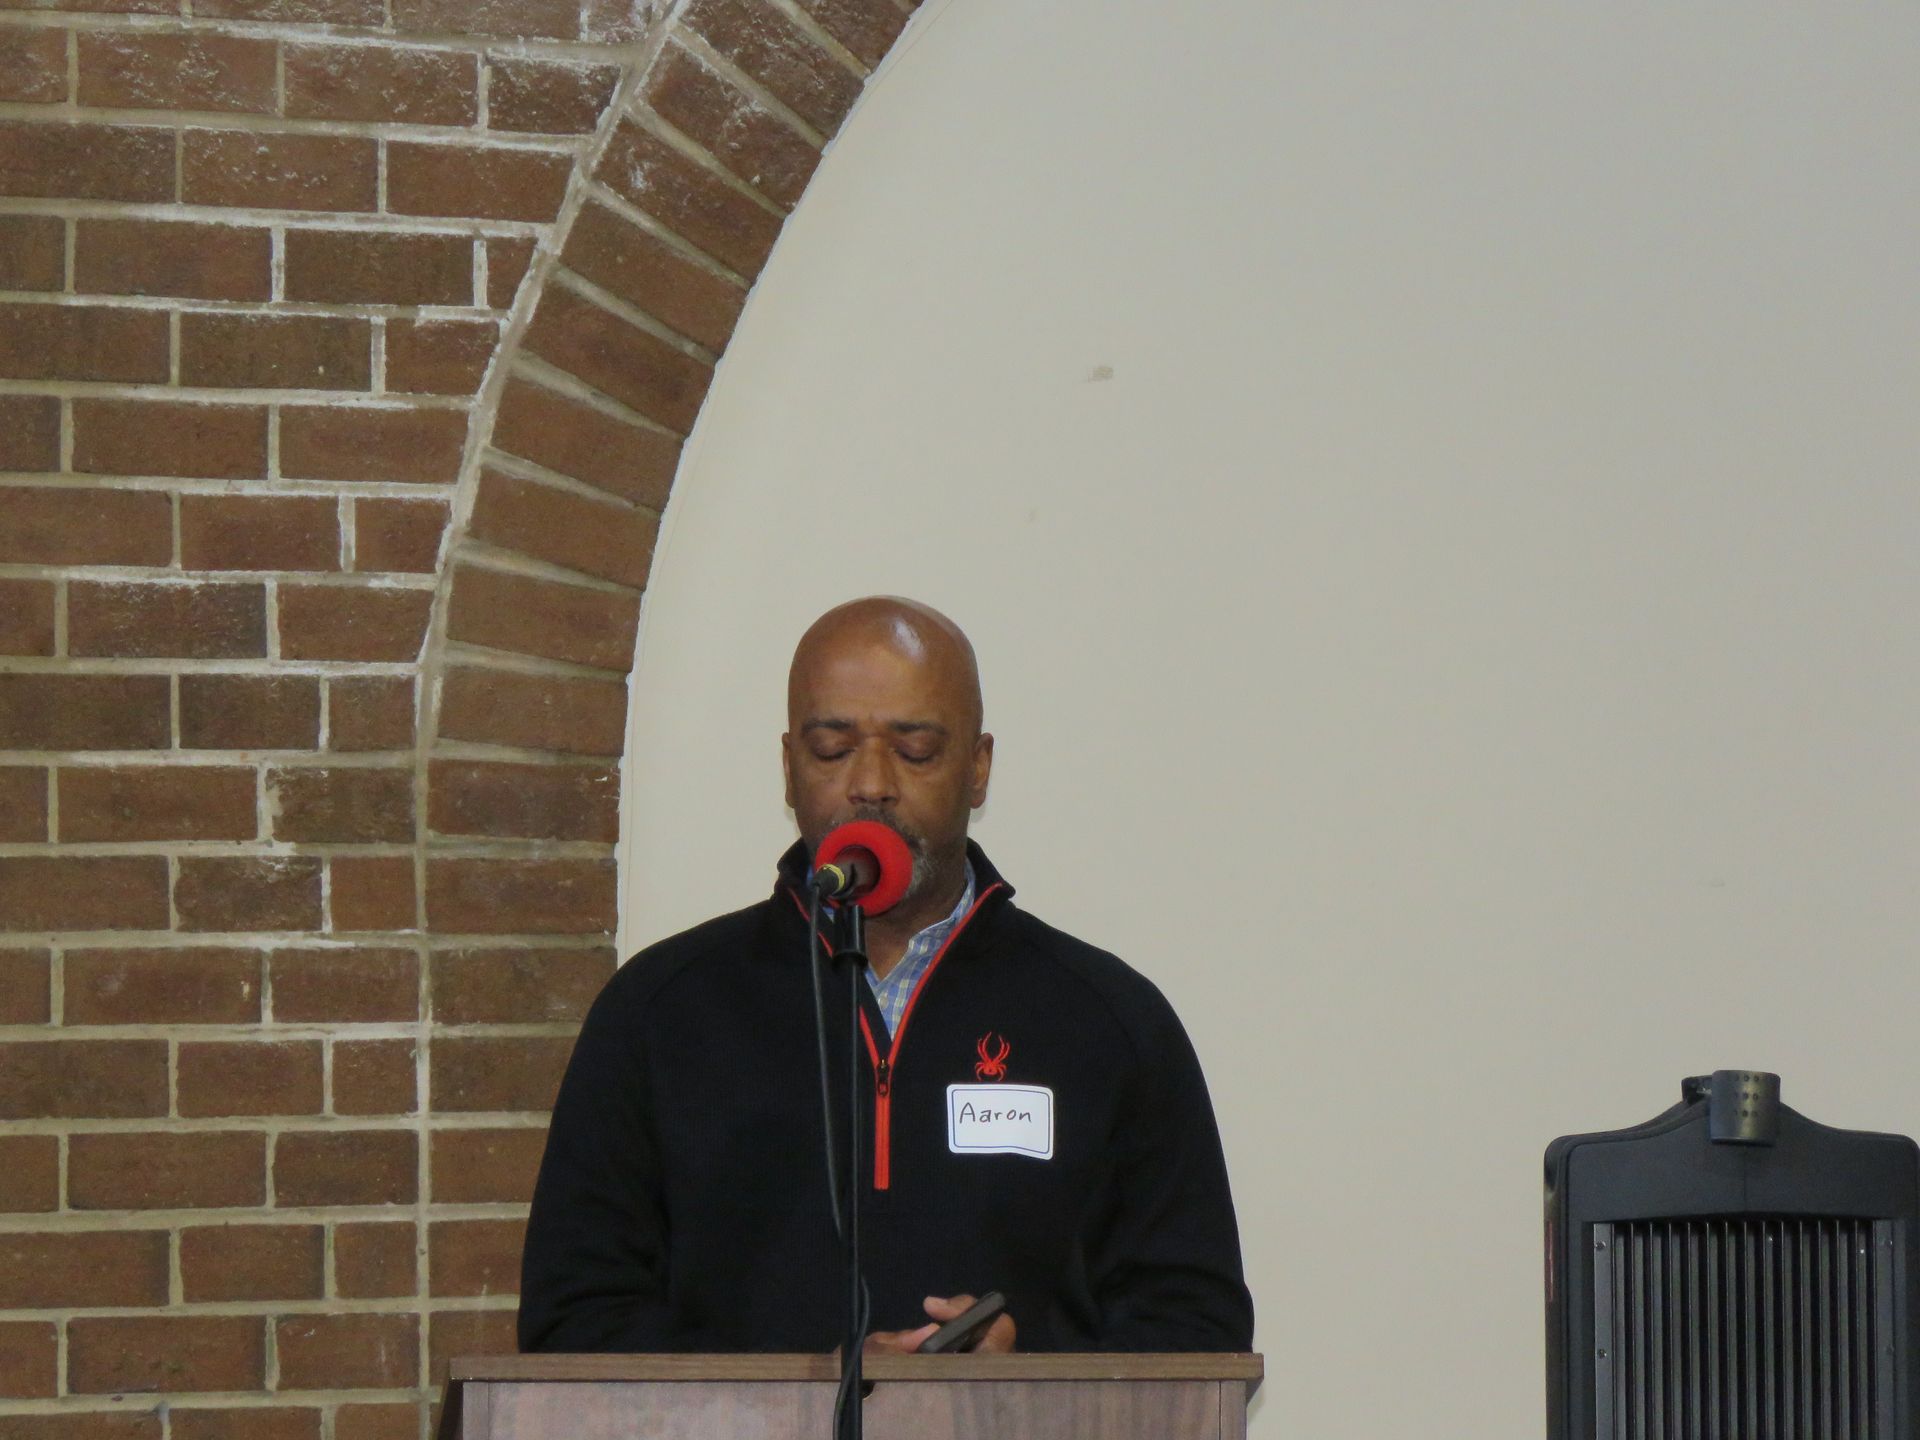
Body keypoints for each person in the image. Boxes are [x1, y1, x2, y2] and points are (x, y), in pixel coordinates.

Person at [518, 597, 1253, 1354]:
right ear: (789, 767)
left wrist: (1024, 1388)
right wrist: (810, 1396)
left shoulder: (1109, 1019)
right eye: (833, 749)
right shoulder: (659, 1012)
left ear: (978, 767)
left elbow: (1197, 1328)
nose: (870, 783)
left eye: (916, 750)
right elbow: (574, 1320)